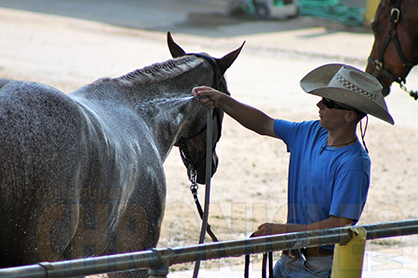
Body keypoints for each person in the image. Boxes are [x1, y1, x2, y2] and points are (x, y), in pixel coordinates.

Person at [192, 63, 394, 278]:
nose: (319, 105)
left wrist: (282, 231)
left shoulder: (353, 162)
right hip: (289, 259)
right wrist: (220, 99)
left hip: (319, 267)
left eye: (328, 102)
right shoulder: (311, 131)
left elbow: (339, 225)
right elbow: (264, 123)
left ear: (349, 116)